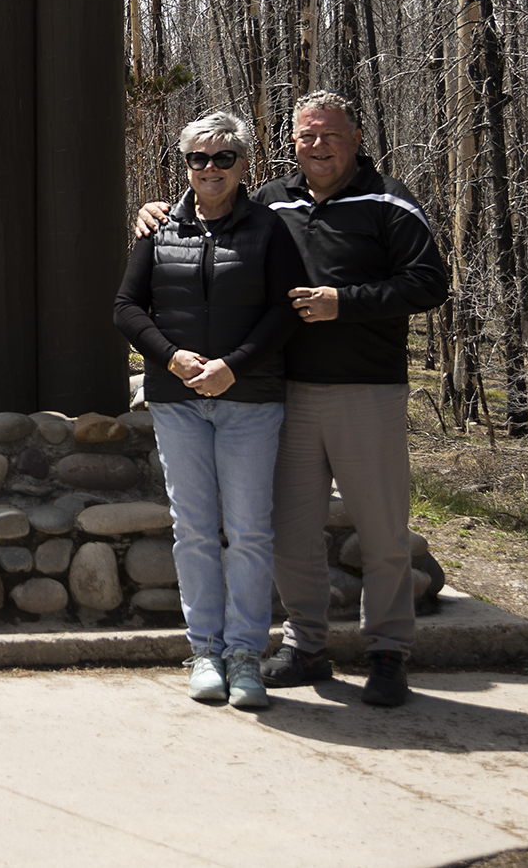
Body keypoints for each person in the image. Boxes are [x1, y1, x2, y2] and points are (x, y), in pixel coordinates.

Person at [135, 90, 448, 708]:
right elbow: (214, 214)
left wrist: (344, 303)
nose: (318, 146)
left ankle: (388, 650)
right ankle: (307, 645)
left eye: (330, 134)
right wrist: (156, 211)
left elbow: (429, 283)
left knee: (382, 529)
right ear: (293, 144)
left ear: (355, 139)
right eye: (307, 136)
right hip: (282, 392)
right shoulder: (275, 202)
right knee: (288, 530)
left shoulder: (389, 201)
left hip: (365, 389)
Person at [114, 111, 309, 711]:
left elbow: (285, 311)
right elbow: (127, 308)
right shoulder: (159, 228)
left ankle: (245, 655)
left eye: (224, 157)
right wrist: (171, 359)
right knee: (194, 528)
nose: (210, 168)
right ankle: (204, 651)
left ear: (244, 164)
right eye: (198, 158)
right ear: (187, 165)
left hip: (249, 401)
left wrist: (234, 367)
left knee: (248, 530)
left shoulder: (269, 229)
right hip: (178, 403)